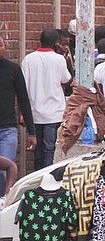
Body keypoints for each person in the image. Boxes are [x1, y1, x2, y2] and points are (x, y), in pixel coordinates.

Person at [21, 28, 72, 170]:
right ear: (56, 43)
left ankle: (38, 180)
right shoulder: (59, 59)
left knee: (37, 153)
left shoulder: (28, 60)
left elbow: (22, 88)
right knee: (49, 150)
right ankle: (47, 182)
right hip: (54, 113)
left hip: (34, 114)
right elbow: (67, 80)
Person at [0, 35, 36, 195]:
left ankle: (3, 204)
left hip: (7, 130)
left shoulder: (13, 69)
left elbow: (23, 99)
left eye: (1, 45)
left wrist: (32, 132)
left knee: (4, 171)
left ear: (4, 47)